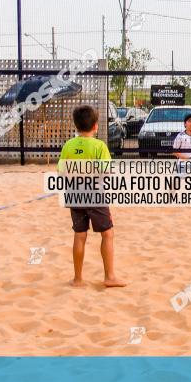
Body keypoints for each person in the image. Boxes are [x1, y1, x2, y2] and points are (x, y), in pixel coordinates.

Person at [58, 104, 126, 288]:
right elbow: (107, 172)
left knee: (79, 235)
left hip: (74, 194)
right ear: (95, 126)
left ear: (76, 126)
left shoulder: (68, 146)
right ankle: (109, 277)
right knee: (107, 234)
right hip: (95, 195)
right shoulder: (99, 146)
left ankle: (78, 279)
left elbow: (62, 172)